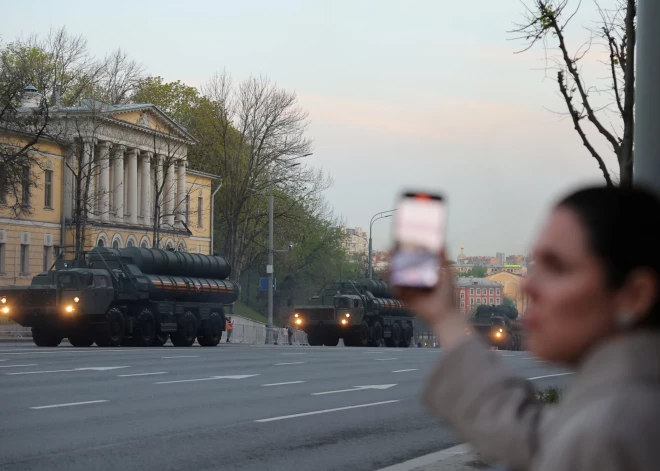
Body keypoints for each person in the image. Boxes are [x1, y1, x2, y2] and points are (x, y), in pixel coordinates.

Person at [396, 186, 660, 471]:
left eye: (557, 267)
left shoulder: (614, 430)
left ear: (634, 295)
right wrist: (445, 316)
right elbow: (533, 436)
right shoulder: (619, 407)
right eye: (535, 264)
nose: (528, 285)